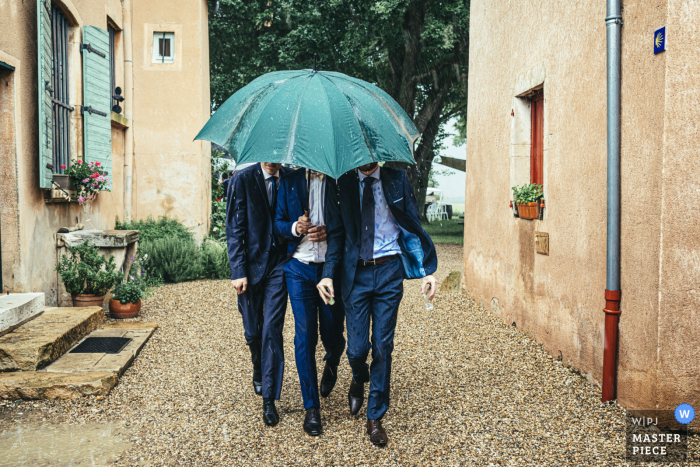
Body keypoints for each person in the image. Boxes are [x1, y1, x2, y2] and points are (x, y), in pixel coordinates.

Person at [317, 162, 438, 446]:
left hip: (388, 271)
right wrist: (327, 275)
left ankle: (375, 417)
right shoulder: (341, 183)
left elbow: (412, 224)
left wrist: (426, 270)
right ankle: (358, 377)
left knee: (383, 347)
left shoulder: (397, 179)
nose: (367, 160)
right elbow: (336, 236)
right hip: (354, 274)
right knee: (357, 350)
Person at [273, 168, 346, 436]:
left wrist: (331, 231)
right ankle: (311, 408)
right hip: (299, 269)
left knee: (332, 332)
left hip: (331, 269)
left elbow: (348, 225)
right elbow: (277, 223)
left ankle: (333, 358)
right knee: (304, 336)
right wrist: (295, 227)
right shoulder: (290, 181)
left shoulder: (339, 182)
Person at [226, 162, 292, 427]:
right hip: (250, 267)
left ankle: (268, 398)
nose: (272, 162)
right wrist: (238, 270)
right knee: (253, 332)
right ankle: (257, 365)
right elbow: (234, 228)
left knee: (271, 330)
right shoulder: (241, 179)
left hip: (279, 265)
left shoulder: (290, 178)